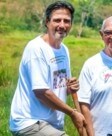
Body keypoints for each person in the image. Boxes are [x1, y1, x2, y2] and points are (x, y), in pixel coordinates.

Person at [9, 1, 86, 135]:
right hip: (31, 122)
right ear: (47, 22)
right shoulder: (36, 48)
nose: (62, 25)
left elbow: (57, 87)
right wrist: (72, 113)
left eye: (66, 21)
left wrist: (69, 87)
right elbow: (41, 92)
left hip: (52, 123)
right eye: (57, 20)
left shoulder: (63, 50)